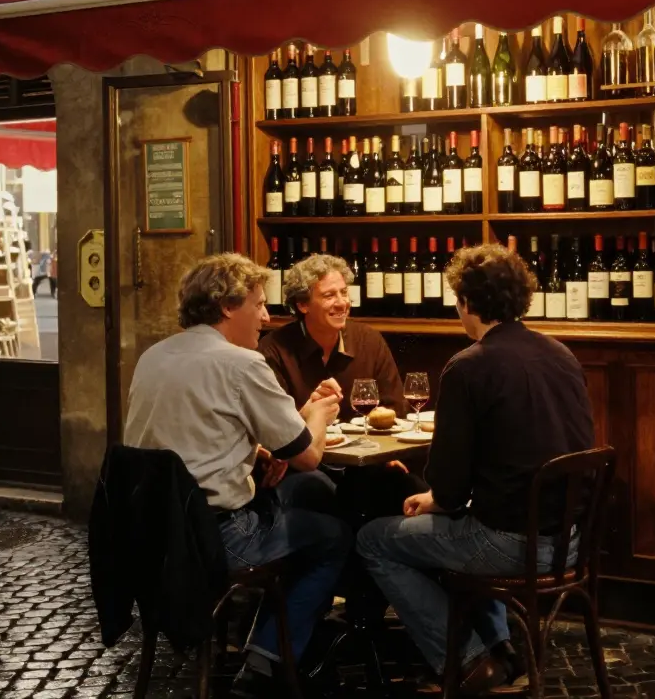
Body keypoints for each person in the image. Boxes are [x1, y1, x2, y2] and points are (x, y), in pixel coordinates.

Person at [357, 243, 594, 693]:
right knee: (462, 522)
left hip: (511, 545)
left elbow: (447, 487)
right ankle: (501, 649)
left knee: (374, 541)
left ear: (466, 303)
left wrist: (435, 500)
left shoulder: (468, 366)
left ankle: (468, 662)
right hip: (570, 541)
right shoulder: (560, 354)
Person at [123, 253, 351, 694]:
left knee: (301, 498)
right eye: (259, 304)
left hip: (148, 537)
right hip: (215, 539)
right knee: (332, 533)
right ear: (228, 307)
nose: (266, 317)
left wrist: (260, 451)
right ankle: (268, 659)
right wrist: (320, 413)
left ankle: (274, 635)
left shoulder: (153, 355)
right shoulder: (241, 364)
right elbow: (308, 456)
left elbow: (187, 436)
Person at [258, 252, 424, 521]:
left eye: (344, 293)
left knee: (411, 489)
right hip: (305, 468)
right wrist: (312, 412)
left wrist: (382, 454)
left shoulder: (368, 340)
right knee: (324, 496)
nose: (342, 303)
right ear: (302, 304)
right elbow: (275, 430)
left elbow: (395, 408)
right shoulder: (274, 351)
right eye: (329, 295)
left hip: (366, 465)